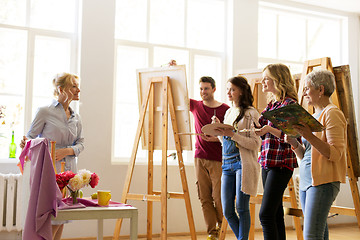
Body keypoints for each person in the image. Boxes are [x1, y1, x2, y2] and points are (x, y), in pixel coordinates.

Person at [20, 73, 84, 240]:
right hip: (50, 170)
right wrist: (25, 143)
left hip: (70, 171)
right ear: (61, 89)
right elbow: (31, 138)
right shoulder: (44, 112)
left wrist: (67, 151)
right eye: (74, 86)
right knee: (51, 216)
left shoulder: (76, 117)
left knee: (63, 217)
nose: (78, 89)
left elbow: (81, 144)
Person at [285, 69, 347, 240]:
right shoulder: (312, 116)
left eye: (306, 88)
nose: (304, 93)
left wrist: (309, 136)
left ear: (320, 90)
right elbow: (307, 155)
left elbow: (335, 154)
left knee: (311, 235)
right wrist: (295, 143)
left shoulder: (332, 113)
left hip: (323, 183)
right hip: (307, 182)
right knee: (319, 234)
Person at [212, 76, 261, 240]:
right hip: (227, 164)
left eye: (232, 89)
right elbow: (226, 141)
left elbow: (255, 144)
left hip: (242, 164)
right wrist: (220, 131)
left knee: (241, 207)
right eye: (227, 89)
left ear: (241, 91)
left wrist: (232, 134)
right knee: (227, 210)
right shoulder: (228, 112)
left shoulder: (251, 113)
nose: (229, 92)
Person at [255, 63, 299, 240]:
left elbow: (293, 136)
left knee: (265, 215)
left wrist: (268, 129)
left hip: (282, 164)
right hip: (267, 162)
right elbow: (260, 126)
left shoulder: (290, 104)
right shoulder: (272, 104)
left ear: (278, 80)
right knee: (275, 214)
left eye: (266, 78)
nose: (262, 81)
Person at [190, 76, 230, 240]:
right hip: (199, 157)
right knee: (204, 197)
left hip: (219, 159)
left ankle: (222, 228)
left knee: (218, 197)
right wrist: (171, 67)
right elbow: (178, 91)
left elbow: (231, 134)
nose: (203, 92)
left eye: (206, 88)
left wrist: (217, 138)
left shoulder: (226, 109)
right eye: (200, 89)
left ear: (214, 89)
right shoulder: (196, 106)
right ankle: (211, 233)